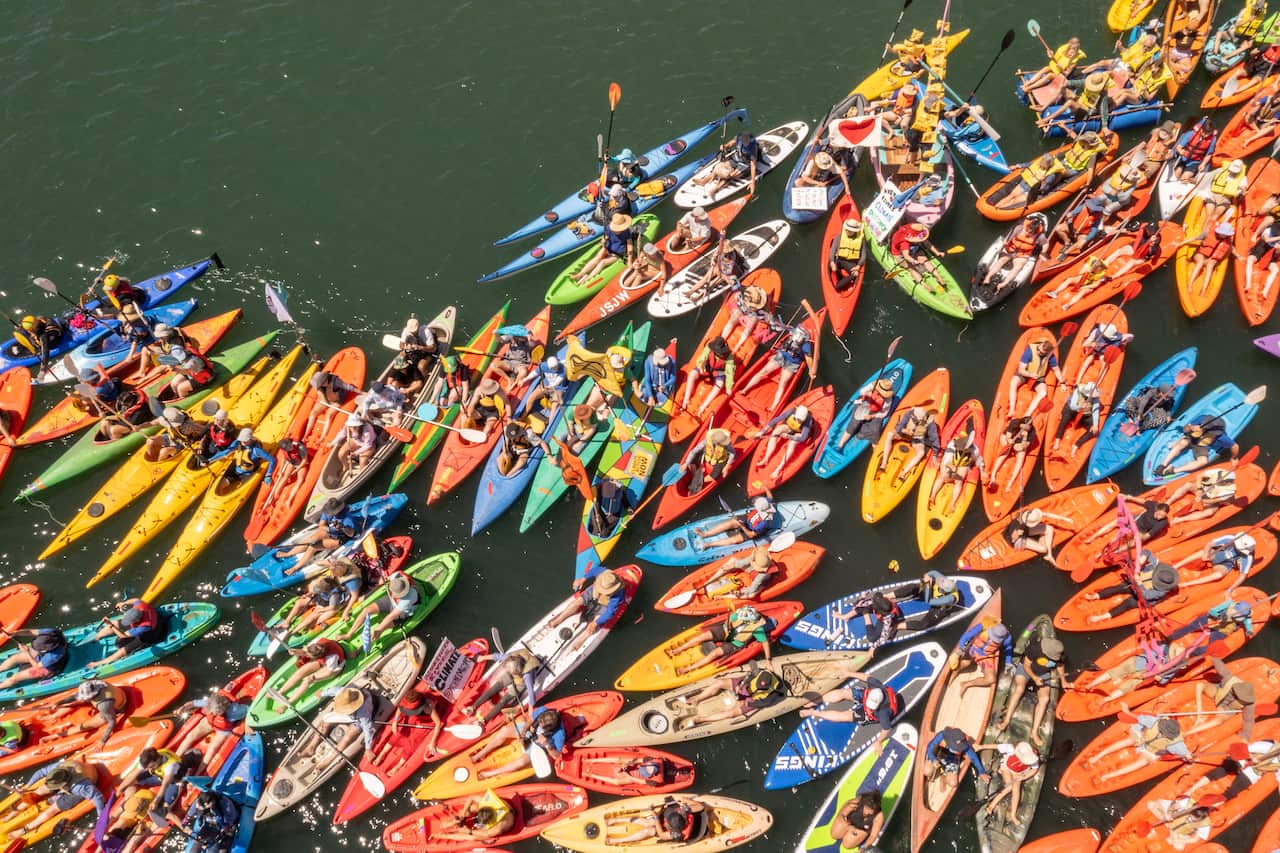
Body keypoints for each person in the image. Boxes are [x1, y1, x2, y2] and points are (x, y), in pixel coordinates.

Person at [667, 604, 775, 677]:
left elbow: (765, 643)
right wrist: (727, 626)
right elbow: (730, 619)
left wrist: (768, 661)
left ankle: (688, 668)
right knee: (703, 637)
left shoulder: (757, 628)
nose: (740, 616)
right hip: (726, 631)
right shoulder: (741, 612)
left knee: (715, 653)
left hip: (735, 643)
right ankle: (678, 650)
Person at [670, 665, 789, 730]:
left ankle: (701, 719)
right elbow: (751, 674)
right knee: (720, 683)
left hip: (753, 699)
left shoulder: (772, 692)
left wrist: (747, 704)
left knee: (731, 714)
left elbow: (762, 703)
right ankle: (697, 699)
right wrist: (741, 685)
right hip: (744, 687)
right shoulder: (763, 673)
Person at [998, 636, 1068, 746]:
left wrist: (1064, 681)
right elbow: (1026, 665)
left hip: (1043, 674)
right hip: (1026, 670)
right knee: (1020, 688)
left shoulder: (1060, 655)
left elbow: (1060, 666)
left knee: (1045, 699)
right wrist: (1035, 678)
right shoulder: (1035, 649)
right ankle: (1006, 720)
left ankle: (1034, 732)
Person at [737, 322, 817, 412]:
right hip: (781, 355)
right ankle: (745, 389)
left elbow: (808, 357)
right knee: (763, 372)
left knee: (782, 384)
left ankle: (773, 407)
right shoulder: (792, 334)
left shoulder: (806, 345)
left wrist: (811, 369)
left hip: (792, 363)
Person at [470, 705, 568, 779]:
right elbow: (530, 722)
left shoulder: (559, 735)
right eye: (540, 721)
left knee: (521, 762)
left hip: (538, 745)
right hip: (529, 732)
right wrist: (523, 733)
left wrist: (547, 745)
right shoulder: (543, 711)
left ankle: (491, 773)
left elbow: (557, 755)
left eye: (542, 725)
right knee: (504, 730)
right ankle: (481, 754)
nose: (539, 724)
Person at [546, 566, 629, 653]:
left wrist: (595, 623)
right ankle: (559, 619)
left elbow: (609, 613)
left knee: (592, 626)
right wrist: (582, 579)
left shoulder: (617, 594)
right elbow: (593, 571)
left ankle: (577, 644)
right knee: (576, 602)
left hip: (606, 603)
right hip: (594, 592)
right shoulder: (603, 573)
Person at [1083, 551, 1180, 624]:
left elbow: (1146, 596)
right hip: (1135, 582)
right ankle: (1095, 596)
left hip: (1142, 596)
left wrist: (1138, 583)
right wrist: (1143, 558)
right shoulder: (1158, 567)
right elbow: (1148, 552)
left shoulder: (1161, 591)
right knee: (1119, 588)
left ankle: (1101, 617)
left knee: (1128, 603)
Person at [296, 686, 379, 766]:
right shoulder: (344, 693)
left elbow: (368, 729)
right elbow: (333, 690)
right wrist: (322, 693)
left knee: (347, 738)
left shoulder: (363, 712)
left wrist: (368, 749)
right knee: (325, 722)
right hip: (347, 714)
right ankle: (311, 747)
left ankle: (328, 760)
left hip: (357, 719)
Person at [170, 687, 249, 769]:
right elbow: (192, 703)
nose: (209, 710)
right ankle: (174, 760)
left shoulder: (236, 710)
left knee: (212, 748)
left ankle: (198, 773)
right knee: (191, 736)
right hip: (209, 722)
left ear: (220, 711)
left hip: (223, 729)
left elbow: (248, 709)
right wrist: (181, 709)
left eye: (212, 711)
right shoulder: (211, 702)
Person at [460, 648, 540, 725]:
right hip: (513, 671)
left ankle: (484, 720)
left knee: (504, 700)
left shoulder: (527, 675)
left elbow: (531, 692)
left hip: (520, 682)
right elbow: (496, 656)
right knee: (494, 688)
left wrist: (530, 708)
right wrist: (482, 657)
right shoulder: (510, 659)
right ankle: (472, 707)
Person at [339, 571, 420, 646]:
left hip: (402, 613)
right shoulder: (396, 577)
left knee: (378, 630)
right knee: (366, 610)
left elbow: (391, 616)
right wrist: (382, 581)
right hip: (390, 600)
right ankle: (349, 635)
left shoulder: (408, 599)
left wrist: (380, 628)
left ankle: (360, 650)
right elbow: (385, 579)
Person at [799, 672, 900, 730]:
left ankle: (813, 712)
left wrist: (878, 743)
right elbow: (865, 677)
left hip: (869, 714)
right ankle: (817, 700)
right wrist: (848, 673)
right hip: (865, 696)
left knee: (845, 716)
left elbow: (886, 729)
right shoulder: (876, 685)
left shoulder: (883, 713)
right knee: (845, 692)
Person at [277, 497, 359, 568]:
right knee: (309, 540)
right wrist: (330, 529)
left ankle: (295, 568)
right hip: (329, 532)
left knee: (312, 547)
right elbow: (321, 526)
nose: (329, 514)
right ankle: (288, 554)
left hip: (340, 538)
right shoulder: (327, 512)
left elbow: (351, 534)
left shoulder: (348, 519)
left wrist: (342, 527)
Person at [86, 598, 167, 669]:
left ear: (137, 620)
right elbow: (135, 600)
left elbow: (123, 636)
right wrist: (123, 603)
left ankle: (98, 663)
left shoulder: (144, 627)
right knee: (115, 623)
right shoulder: (140, 605)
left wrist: (110, 625)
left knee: (125, 649)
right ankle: (97, 637)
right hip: (152, 618)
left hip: (151, 634)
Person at [22, 759, 107, 825]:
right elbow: (41, 772)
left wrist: (101, 817)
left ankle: (28, 827)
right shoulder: (61, 767)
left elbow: (97, 796)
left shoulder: (79, 787)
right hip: (72, 778)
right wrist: (27, 785)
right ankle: (12, 814)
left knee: (53, 808)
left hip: (88, 780)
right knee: (43, 789)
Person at [1153, 413, 1239, 478]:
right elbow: (1185, 429)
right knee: (1182, 443)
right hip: (1191, 437)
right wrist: (1191, 427)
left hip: (1202, 445)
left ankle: (1173, 471)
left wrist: (1233, 458)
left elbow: (1235, 446)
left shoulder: (1221, 436)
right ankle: (1163, 465)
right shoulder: (1202, 418)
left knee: (1203, 461)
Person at [694, 541, 780, 603]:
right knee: (732, 560)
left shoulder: (762, 575)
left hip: (760, 582)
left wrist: (741, 591)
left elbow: (752, 589)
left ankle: (721, 596)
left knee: (751, 595)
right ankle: (709, 581)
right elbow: (744, 562)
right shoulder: (757, 556)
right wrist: (731, 566)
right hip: (753, 571)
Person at [928, 423, 986, 513]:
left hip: (963, 464)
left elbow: (979, 460)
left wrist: (982, 471)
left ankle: (953, 503)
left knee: (959, 481)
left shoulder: (974, 449)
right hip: (951, 461)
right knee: (943, 476)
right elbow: (947, 459)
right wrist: (951, 466)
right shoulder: (953, 444)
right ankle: (932, 495)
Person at [876, 405, 939, 486]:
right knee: (889, 435)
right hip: (904, 434)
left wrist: (935, 455)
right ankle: (884, 464)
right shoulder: (909, 413)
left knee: (921, 453)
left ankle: (904, 473)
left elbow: (934, 438)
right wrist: (905, 430)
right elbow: (899, 427)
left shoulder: (930, 421)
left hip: (917, 439)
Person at [604, 796, 709, 845]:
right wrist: (684, 800)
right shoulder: (685, 811)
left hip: (664, 831)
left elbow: (662, 834)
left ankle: (618, 840)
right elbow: (700, 806)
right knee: (648, 822)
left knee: (649, 830)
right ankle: (615, 820)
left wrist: (656, 818)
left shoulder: (677, 834)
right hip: (670, 824)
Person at [751, 402, 815, 480]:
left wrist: (789, 436)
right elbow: (775, 421)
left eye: (800, 421)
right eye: (797, 419)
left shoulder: (808, 420)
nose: (798, 422)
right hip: (790, 427)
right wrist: (762, 432)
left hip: (799, 433)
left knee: (792, 443)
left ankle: (779, 468)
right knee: (775, 432)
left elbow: (803, 438)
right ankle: (766, 458)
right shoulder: (791, 411)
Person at [834, 375, 898, 451]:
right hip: (864, 405)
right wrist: (867, 393)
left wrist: (872, 416)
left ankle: (874, 447)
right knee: (853, 424)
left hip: (876, 412)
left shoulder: (888, 399)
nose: (879, 392)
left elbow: (884, 413)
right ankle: (840, 445)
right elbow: (861, 392)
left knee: (875, 431)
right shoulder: (873, 386)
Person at [949, 619, 1013, 693]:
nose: (992, 639)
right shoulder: (986, 624)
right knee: (966, 662)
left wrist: (1008, 662)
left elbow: (1008, 648)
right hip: (973, 647)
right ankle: (955, 671)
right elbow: (967, 636)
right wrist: (960, 648)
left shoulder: (1007, 638)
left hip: (985, 656)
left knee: (991, 679)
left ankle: (966, 684)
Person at [693, 131, 766, 197]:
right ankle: (703, 181)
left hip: (745, 163)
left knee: (731, 175)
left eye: (747, 142)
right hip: (736, 158)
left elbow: (753, 165)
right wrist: (725, 146)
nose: (746, 144)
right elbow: (731, 143)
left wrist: (752, 182)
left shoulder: (753, 147)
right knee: (718, 167)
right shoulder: (739, 137)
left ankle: (716, 188)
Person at [985, 215, 1047, 291]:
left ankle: (1003, 283)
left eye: (1031, 231)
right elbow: (1009, 238)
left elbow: (1046, 244)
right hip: (1011, 249)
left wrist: (1043, 252)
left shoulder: (1040, 236)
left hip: (1022, 254)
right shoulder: (1019, 228)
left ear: (1036, 231)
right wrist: (1004, 244)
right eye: (1028, 229)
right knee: (1001, 260)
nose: (1029, 232)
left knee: (1018, 266)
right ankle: (988, 277)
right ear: (1027, 226)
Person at [1175, 532, 1255, 591]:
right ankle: (1176, 566)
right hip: (1216, 553)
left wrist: (1231, 589)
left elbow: (1243, 576)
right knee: (1202, 553)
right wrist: (1206, 555)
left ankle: (1187, 584)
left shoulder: (1247, 557)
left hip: (1224, 565)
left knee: (1218, 575)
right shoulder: (1229, 538)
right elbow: (1210, 544)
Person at [152, 324, 215, 399]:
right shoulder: (177, 350)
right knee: (174, 383)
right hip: (190, 372)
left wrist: (175, 369)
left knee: (180, 388)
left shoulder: (190, 360)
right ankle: (176, 396)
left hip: (203, 376)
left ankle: (184, 399)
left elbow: (188, 371)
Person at [574, 213, 640, 284]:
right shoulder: (608, 227)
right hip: (608, 247)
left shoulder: (626, 231)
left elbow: (629, 245)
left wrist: (629, 260)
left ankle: (588, 279)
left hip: (618, 253)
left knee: (603, 262)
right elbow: (606, 237)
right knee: (598, 258)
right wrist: (603, 242)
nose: (617, 230)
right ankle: (580, 274)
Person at [432, 789, 517, 843]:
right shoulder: (488, 803)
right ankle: (456, 821)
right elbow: (471, 797)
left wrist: (469, 831)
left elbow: (487, 834)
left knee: (472, 838)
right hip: (490, 814)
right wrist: (464, 812)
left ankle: (444, 836)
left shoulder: (499, 826)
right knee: (471, 808)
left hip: (501, 822)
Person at [276, 638, 348, 702]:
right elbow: (304, 651)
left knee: (307, 680)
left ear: (317, 657)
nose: (306, 655)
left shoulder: (332, 657)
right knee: (300, 672)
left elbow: (329, 672)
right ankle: (279, 692)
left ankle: (288, 702)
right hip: (324, 660)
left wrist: (312, 677)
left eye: (308, 655)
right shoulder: (317, 642)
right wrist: (296, 651)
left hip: (335, 668)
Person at [692, 494, 776, 549]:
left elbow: (751, 535)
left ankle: (709, 544)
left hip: (750, 531)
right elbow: (770, 497)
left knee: (735, 540)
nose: (754, 504)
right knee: (729, 523)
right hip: (747, 519)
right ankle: (705, 534)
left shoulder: (763, 523)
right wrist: (765, 486)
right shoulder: (765, 503)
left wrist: (742, 526)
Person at [1040, 130, 1109, 196]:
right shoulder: (1080, 142)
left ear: (1089, 143)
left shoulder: (1092, 155)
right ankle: (1039, 177)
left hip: (1073, 169)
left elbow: (1091, 170)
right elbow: (1073, 135)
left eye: (1084, 140)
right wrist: (1063, 126)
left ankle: (1047, 188)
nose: (1082, 140)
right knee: (1049, 161)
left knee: (1060, 172)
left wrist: (1087, 184)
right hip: (1065, 161)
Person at [681, 336, 736, 418]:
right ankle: (686, 399)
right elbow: (701, 359)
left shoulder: (729, 357)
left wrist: (728, 388)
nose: (718, 353)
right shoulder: (709, 348)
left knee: (720, 384)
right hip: (707, 368)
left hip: (717, 372)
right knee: (692, 374)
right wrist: (700, 367)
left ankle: (703, 406)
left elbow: (729, 373)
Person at [1006, 337, 1061, 417]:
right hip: (1025, 373)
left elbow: (1056, 370)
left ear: (1046, 353)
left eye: (1041, 352)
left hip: (1038, 377)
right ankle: (1012, 410)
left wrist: (1062, 382)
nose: (1038, 351)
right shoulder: (1029, 352)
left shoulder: (1050, 356)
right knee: (1013, 383)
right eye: (1038, 349)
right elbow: (1021, 370)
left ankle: (1027, 414)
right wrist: (1030, 375)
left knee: (1043, 393)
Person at [0, 628, 69, 691]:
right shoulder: (50, 632)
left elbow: (37, 667)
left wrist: (27, 652)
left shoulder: (54, 655)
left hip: (49, 668)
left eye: (39, 649)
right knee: (14, 658)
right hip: (42, 656)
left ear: (45, 650)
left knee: (14, 678)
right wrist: (15, 633)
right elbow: (30, 631)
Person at [923, 727, 990, 790]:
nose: (959, 750)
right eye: (957, 748)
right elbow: (930, 747)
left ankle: (944, 777)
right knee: (927, 771)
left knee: (953, 783)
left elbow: (973, 757)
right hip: (939, 751)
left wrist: (981, 772)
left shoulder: (964, 744)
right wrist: (933, 759)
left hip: (952, 757)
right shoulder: (942, 735)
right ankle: (938, 771)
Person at [1050, 380, 1103, 459]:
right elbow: (1073, 406)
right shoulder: (1078, 391)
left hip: (1085, 414)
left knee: (1094, 431)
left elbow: (1095, 410)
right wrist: (1081, 407)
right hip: (1073, 410)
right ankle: (1058, 439)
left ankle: (1076, 445)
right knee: (1064, 419)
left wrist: (1095, 425)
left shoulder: (1095, 398)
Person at [207, 427, 275, 488]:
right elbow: (225, 452)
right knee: (219, 486)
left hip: (248, 474)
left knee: (241, 487)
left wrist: (268, 475)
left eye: (245, 440)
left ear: (250, 439)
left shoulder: (256, 450)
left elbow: (272, 460)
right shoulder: (237, 443)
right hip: (236, 471)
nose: (242, 442)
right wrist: (210, 460)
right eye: (242, 440)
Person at [887, 220, 944, 294]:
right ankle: (923, 284)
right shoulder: (905, 243)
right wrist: (915, 262)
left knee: (925, 260)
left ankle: (938, 277)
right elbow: (906, 257)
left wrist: (937, 252)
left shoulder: (916, 229)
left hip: (913, 248)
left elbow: (927, 243)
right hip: (901, 254)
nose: (922, 240)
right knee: (911, 268)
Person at [987, 154, 1062, 209]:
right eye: (1042, 160)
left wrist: (1043, 182)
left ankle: (999, 210)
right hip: (1025, 183)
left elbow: (1044, 190)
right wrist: (1017, 166)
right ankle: (996, 207)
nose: (1041, 162)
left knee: (1014, 201)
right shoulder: (1037, 164)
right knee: (1011, 196)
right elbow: (1028, 164)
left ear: (1048, 164)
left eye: (1044, 162)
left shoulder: (1051, 176)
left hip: (1031, 191)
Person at [1004, 506, 1074, 565]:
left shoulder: (1029, 513)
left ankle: (1049, 554)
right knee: (1043, 549)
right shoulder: (1020, 529)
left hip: (1024, 529)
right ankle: (1043, 543)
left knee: (1049, 528)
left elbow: (1047, 515)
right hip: (1017, 539)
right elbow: (1013, 539)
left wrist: (1066, 519)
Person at [688, 237, 747, 304]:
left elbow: (727, 272)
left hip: (730, 273)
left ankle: (698, 296)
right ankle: (691, 291)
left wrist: (718, 276)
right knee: (706, 277)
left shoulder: (731, 257)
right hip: (720, 267)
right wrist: (712, 261)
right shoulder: (719, 248)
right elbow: (714, 256)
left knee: (713, 283)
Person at [303, 368, 362, 436]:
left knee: (329, 415)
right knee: (313, 413)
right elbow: (322, 397)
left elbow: (348, 387)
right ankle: (306, 434)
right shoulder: (318, 386)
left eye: (322, 382)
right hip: (327, 400)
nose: (322, 385)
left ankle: (323, 436)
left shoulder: (335, 381)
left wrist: (362, 392)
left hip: (337, 399)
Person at [1186, 220, 1236, 298]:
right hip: (1200, 255)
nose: (1223, 235)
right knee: (1200, 262)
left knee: (1210, 266)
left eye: (1226, 234)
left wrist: (1239, 256)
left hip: (1210, 258)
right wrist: (1180, 243)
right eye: (1223, 233)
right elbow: (1194, 238)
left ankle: (1204, 289)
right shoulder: (1208, 233)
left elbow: (1231, 248)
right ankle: (1190, 284)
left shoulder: (1228, 240)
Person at [987, 415, 1039, 490]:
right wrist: (1009, 441)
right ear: (1021, 424)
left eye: (1027, 428)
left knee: (1021, 457)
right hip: (1009, 439)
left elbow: (1024, 446)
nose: (1024, 428)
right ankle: (993, 476)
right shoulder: (1015, 422)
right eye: (1023, 426)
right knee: (1006, 452)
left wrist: (1024, 437)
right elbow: (1008, 436)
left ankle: (1010, 482)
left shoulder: (1032, 432)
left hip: (1020, 443)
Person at [1021, 36, 1087, 92]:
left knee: (1049, 75)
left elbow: (1066, 74)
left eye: (1074, 53)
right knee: (1045, 69)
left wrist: (1061, 69)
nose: (1071, 54)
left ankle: (1030, 88)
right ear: (1068, 49)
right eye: (1071, 52)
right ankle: (1028, 83)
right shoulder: (1062, 50)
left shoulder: (1073, 62)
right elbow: (1053, 60)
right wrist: (1051, 56)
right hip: (1055, 69)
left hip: (1061, 75)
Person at [719, 281, 772, 350]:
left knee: (732, 321)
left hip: (742, 310)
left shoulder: (741, 296)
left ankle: (721, 339)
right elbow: (765, 317)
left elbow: (736, 296)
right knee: (748, 329)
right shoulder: (760, 308)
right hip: (751, 315)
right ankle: (737, 347)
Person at [681, 427, 736, 493]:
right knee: (691, 462)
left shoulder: (727, 444)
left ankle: (698, 481)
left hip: (719, 460)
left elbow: (733, 453)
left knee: (715, 476)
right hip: (707, 456)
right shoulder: (707, 441)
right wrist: (686, 464)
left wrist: (727, 466)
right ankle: (696, 477)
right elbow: (694, 451)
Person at [828, 216, 867, 294]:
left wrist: (858, 266)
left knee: (856, 274)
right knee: (831, 266)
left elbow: (863, 255)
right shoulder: (839, 236)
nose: (847, 231)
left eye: (850, 231)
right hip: (839, 260)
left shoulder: (861, 240)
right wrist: (832, 263)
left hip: (851, 263)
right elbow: (832, 251)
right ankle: (836, 279)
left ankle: (838, 287)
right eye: (846, 229)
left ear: (855, 231)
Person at [1202, 158, 1248, 224]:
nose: (1233, 172)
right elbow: (1209, 178)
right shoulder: (1221, 171)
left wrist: (1243, 192)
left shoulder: (1243, 178)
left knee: (1215, 216)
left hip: (1225, 199)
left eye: (1235, 171)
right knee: (1209, 215)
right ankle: (1203, 233)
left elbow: (1244, 188)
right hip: (1213, 195)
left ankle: (1206, 232)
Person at [1171, 117, 1217, 183]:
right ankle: (1189, 178)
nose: (1206, 135)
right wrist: (1180, 151)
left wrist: (1203, 164)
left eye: (1208, 134)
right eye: (1204, 133)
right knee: (1176, 174)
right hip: (1183, 159)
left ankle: (1192, 179)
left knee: (1184, 178)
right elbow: (1179, 146)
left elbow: (1209, 154)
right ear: (1201, 129)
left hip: (1195, 162)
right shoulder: (1191, 133)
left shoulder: (1212, 139)